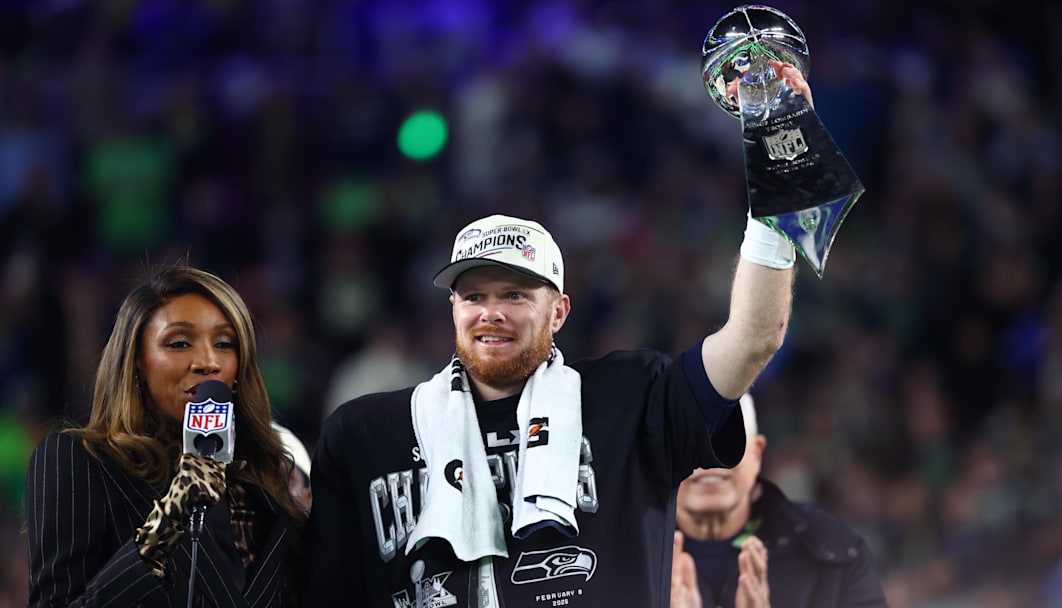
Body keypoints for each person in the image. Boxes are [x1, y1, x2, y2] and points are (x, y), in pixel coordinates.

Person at [303, 64, 807, 608]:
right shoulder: (363, 434)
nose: (491, 313)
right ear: (453, 309)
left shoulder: (632, 397)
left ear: (559, 311)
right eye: (474, 297)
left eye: (516, 296)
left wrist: (776, 171)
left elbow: (755, 337)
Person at [25, 265, 307, 607]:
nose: (208, 361)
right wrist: (168, 521)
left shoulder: (266, 486)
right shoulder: (78, 461)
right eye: (179, 343)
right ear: (137, 363)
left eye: (224, 343)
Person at [671, 393, 889, 608]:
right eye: (691, 440)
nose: (710, 459)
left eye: (727, 438)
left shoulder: (835, 550)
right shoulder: (637, 557)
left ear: (757, 453)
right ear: (662, 456)